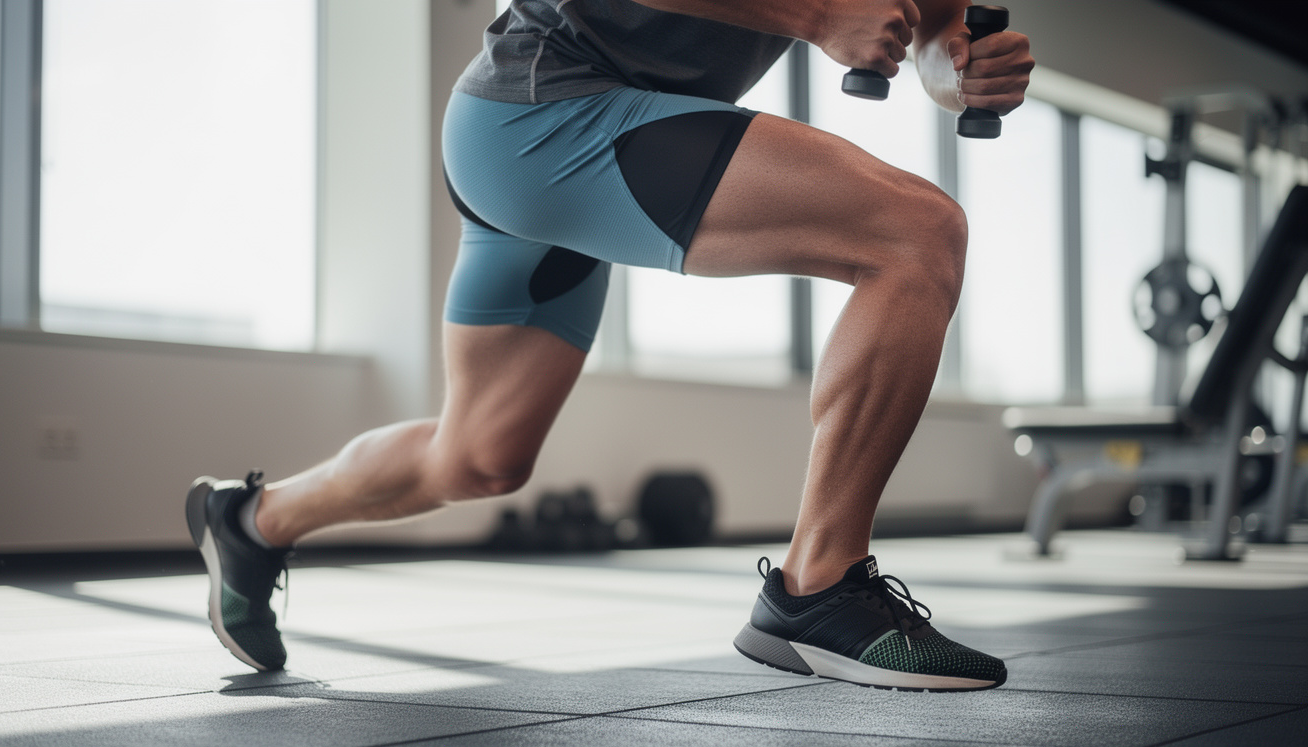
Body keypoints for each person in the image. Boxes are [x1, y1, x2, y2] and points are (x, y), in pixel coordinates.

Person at [186, 0, 1033, 691]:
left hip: (571, 130)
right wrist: (814, 15)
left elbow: (933, 35)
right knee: (917, 234)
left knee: (478, 458)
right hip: (542, 111)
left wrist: (962, 71)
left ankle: (252, 521)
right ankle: (819, 586)